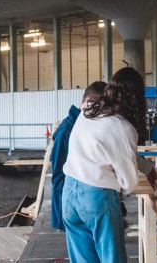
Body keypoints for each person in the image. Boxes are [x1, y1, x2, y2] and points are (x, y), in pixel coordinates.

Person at [62, 67, 157, 263]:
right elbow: (129, 184)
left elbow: (105, 149)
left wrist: (146, 167)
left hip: (69, 193)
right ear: (136, 98)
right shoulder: (123, 127)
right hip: (96, 198)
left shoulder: (89, 111)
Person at [50, 81, 106, 231]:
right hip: (69, 210)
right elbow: (57, 178)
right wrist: (79, 202)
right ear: (88, 103)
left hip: (79, 205)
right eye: (101, 109)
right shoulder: (65, 132)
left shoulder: (82, 126)